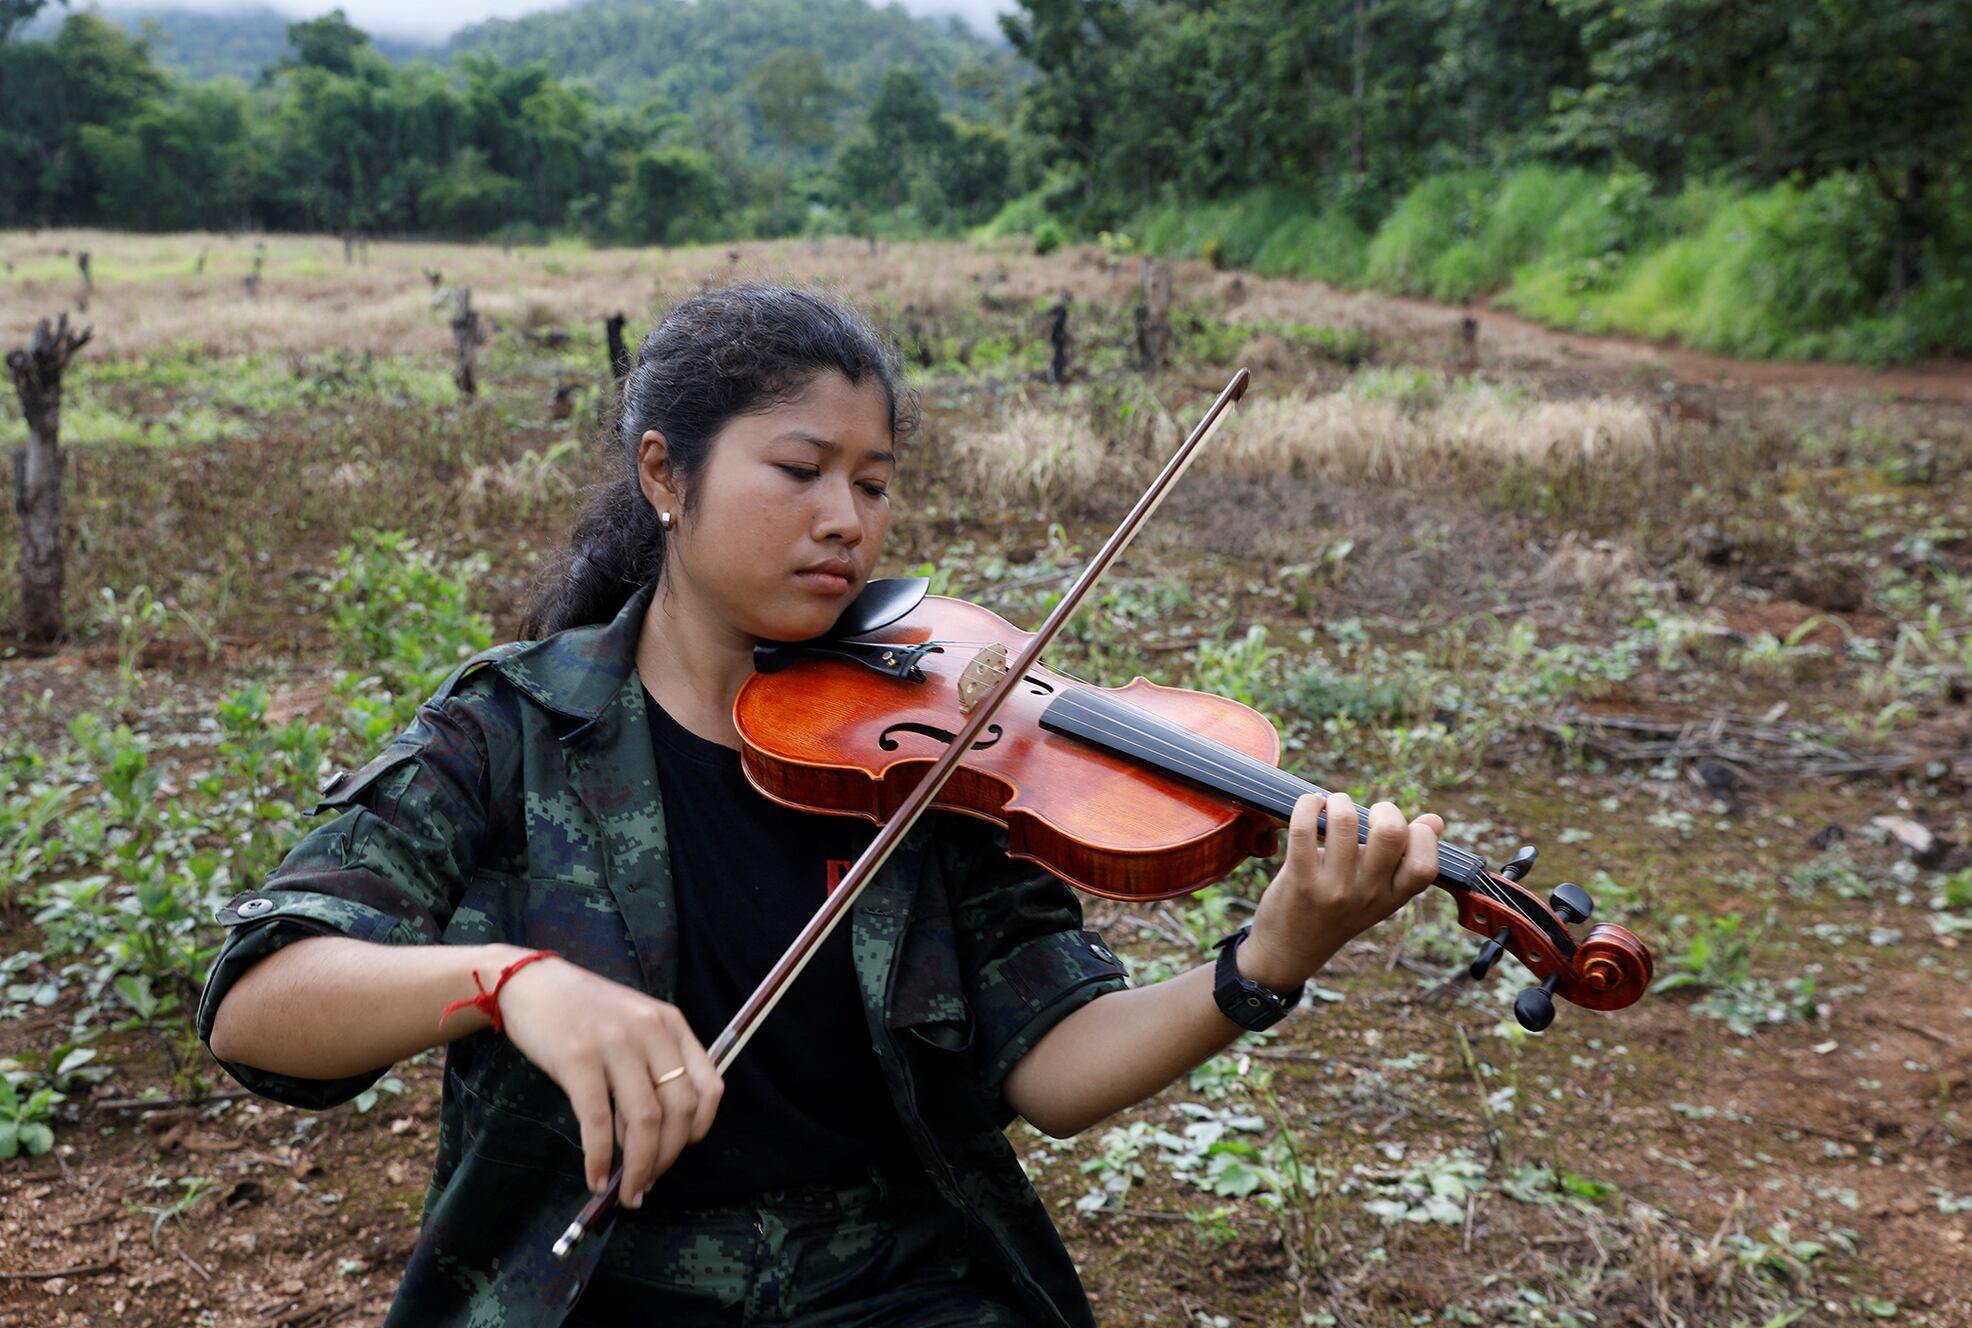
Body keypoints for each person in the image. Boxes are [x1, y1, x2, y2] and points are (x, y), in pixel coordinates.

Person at [198, 283, 1445, 1328]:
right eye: (800, 470)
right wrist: (509, 980)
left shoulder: (939, 747)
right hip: (593, 1288)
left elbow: (1053, 1067)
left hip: (902, 1280)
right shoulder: (511, 730)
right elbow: (259, 1004)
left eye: (876, 483)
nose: (846, 520)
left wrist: (1268, 959)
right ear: (664, 475)